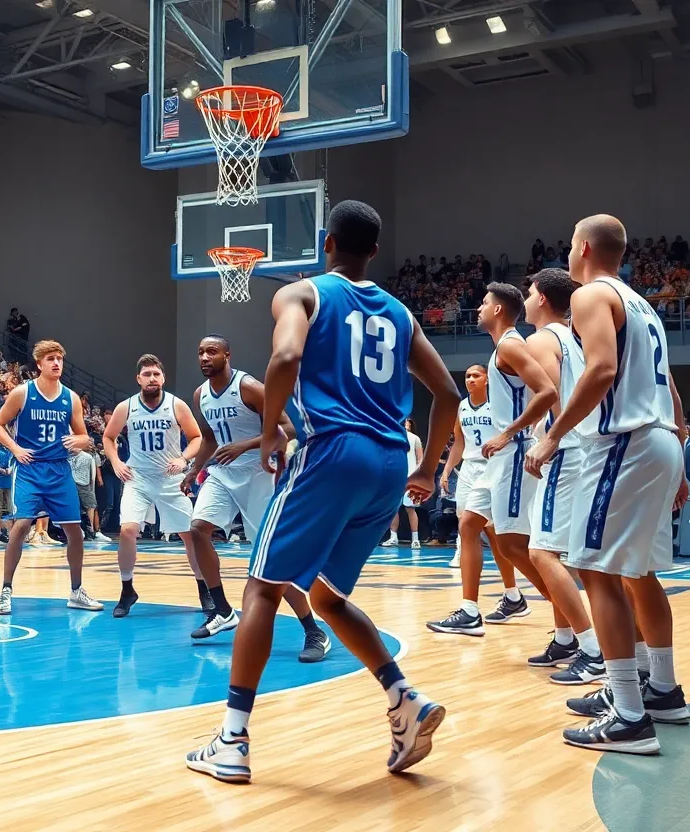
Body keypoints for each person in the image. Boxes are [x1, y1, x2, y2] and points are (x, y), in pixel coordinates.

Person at [185, 200, 460, 783]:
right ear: (375, 252)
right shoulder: (401, 315)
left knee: (261, 588)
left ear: (325, 242)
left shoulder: (302, 294)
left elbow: (285, 356)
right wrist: (429, 471)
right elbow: (450, 395)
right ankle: (404, 698)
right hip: (388, 463)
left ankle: (232, 739)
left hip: (331, 450)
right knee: (329, 596)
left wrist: (267, 436)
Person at [526, 214, 690, 754]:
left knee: (597, 572)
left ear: (585, 247)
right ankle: (661, 689)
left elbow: (600, 371)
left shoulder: (591, 295)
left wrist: (553, 438)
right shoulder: (643, 305)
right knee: (638, 573)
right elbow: (668, 390)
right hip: (659, 440)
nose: (568, 253)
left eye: (570, 245)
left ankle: (628, 714)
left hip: (624, 442)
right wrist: (680, 462)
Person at [182, 335, 331, 661]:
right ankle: (222, 610)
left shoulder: (249, 387)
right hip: (223, 474)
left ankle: (313, 629)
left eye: (212, 351)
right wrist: (194, 470)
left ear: (227, 354)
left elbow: (289, 429)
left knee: (273, 560)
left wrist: (244, 445)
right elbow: (208, 439)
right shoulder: (200, 395)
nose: (204, 357)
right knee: (197, 528)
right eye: (200, 352)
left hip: (260, 476)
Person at [425, 283, 558, 636]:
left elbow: (548, 392)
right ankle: (470, 611)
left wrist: (507, 433)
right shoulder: (502, 348)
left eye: (484, 303)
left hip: (512, 455)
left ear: (498, 310)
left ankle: (570, 621)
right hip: (494, 462)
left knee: (514, 545)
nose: (479, 308)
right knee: (469, 524)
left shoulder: (512, 345)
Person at [520, 269, 603, 682]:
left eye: (530, 292)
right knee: (559, 551)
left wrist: (543, 438)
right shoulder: (575, 337)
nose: (526, 298)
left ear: (543, 300)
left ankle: (592, 649)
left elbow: (550, 397)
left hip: (566, 449)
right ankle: (567, 637)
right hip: (585, 447)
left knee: (542, 553)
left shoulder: (539, 339)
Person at [0, 340, 103, 615]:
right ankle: (5, 590)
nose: (56, 363)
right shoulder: (22, 393)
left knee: (75, 532)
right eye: (51, 359)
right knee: (21, 525)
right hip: (29, 469)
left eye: (59, 359)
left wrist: (79, 441)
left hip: (59, 469)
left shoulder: (71, 398)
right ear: (39, 364)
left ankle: (76, 591)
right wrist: (15, 448)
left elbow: (85, 436)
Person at [101, 354, 206, 617]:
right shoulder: (126, 407)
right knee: (127, 531)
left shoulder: (176, 405)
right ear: (138, 378)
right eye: (146, 374)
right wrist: (115, 462)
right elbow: (108, 437)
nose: (152, 378)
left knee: (190, 535)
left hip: (170, 479)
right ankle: (127, 590)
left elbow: (196, 438)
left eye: (156, 374)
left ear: (163, 378)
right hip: (138, 478)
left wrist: (183, 459)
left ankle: (204, 589)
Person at [430, 364, 524, 616]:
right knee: (468, 525)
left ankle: (510, 593)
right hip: (470, 468)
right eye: (468, 375)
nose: (470, 379)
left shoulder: (498, 404)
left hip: (495, 466)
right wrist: (448, 470)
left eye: (476, 375)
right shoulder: (461, 406)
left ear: (487, 380)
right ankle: (497, 599)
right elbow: (459, 442)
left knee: (494, 535)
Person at [381, 418, 424, 548]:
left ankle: (415, 539)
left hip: (411, 478)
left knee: (410, 508)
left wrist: (416, 476)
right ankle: (393, 537)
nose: (406, 423)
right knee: (393, 509)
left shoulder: (415, 438)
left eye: (408, 422)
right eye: (404, 421)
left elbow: (420, 459)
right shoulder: (392, 436)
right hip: (395, 477)